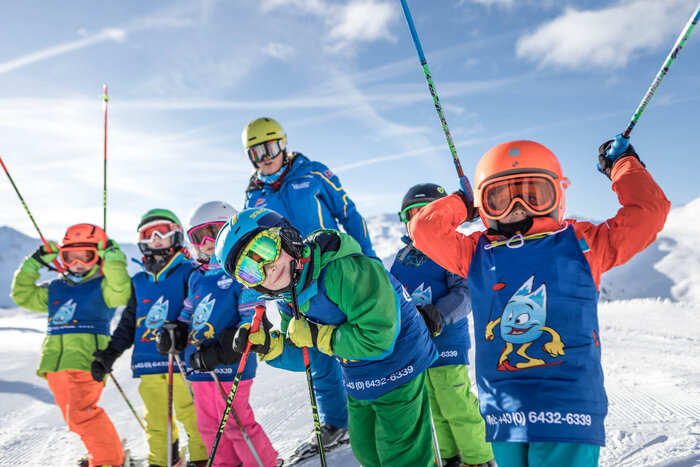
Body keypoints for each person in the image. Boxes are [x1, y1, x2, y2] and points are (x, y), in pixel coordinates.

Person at [409, 140, 670, 467]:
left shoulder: (583, 244)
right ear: (484, 204)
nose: (518, 206)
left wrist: (624, 166)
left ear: (557, 196)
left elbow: (648, 214)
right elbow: (423, 228)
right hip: (504, 411)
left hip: (567, 412)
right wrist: (462, 202)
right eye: (500, 198)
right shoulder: (477, 254)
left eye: (534, 195)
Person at [213, 207, 439, 467]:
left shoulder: (344, 269)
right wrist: (270, 346)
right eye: (249, 271)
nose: (266, 268)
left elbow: (379, 339)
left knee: (401, 455)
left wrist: (317, 335)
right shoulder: (289, 297)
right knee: (366, 451)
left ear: (286, 236)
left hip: (401, 364)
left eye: (265, 250)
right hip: (358, 372)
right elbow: (306, 356)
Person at [240, 117, 375, 455]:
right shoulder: (253, 196)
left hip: (332, 269)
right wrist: (257, 301)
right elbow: (251, 249)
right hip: (290, 284)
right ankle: (336, 423)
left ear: (283, 145)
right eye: (255, 153)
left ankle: (376, 412)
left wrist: (368, 262)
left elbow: (350, 213)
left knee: (355, 339)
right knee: (314, 351)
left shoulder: (313, 173)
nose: (264, 157)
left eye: (270, 147)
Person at [90, 209, 208, 467]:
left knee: (192, 414)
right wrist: (110, 354)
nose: (156, 238)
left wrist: (185, 333)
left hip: (181, 361)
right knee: (155, 420)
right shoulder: (139, 281)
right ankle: (163, 460)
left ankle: (201, 458)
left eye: (163, 231)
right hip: (147, 362)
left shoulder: (190, 271)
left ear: (176, 235)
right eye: (148, 233)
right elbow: (128, 324)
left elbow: (202, 311)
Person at [165, 201, 279, 467]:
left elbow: (252, 319)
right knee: (208, 426)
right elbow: (188, 311)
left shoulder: (242, 272)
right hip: (199, 365)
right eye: (198, 236)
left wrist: (223, 350)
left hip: (230, 364)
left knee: (235, 423)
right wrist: (176, 331)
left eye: (214, 232)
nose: (206, 242)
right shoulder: (197, 277)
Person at [391, 183, 495, 467]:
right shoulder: (402, 259)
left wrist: (436, 315)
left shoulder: (449, 250)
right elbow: (395, 296)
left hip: (447, 340)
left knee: (455, 401)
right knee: (432, 403)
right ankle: (449, 456)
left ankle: (479, 457)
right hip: (416, 346)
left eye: (422, 213)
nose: (415, 221)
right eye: (410, 215)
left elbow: (466, 293)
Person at [10, 223, 130, 467]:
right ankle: (105, 453)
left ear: (97, 257)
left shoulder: (104, 286)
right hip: (55, 363)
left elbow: (122, 292)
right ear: (62, 258)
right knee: (74, 417)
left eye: (85, 256)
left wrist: (113, 257)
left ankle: (109, 460)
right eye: (69, 257)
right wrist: (33, 264)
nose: (77, 263)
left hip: (86, 360)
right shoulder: (56, 287)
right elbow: (22, 295)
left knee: (81, 415)